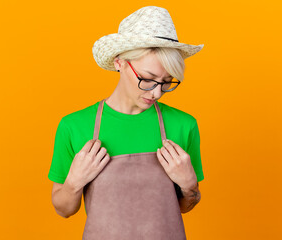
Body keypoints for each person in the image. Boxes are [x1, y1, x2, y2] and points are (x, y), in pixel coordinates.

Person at [48, 6, 205, 239]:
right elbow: (64, 209)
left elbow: (183, 206)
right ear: (119, 62)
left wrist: (190, 186)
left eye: (166, 82)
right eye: (148, 79)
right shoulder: (75, 126)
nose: (156, 93)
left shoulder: (184, 125)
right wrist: (73, 182)